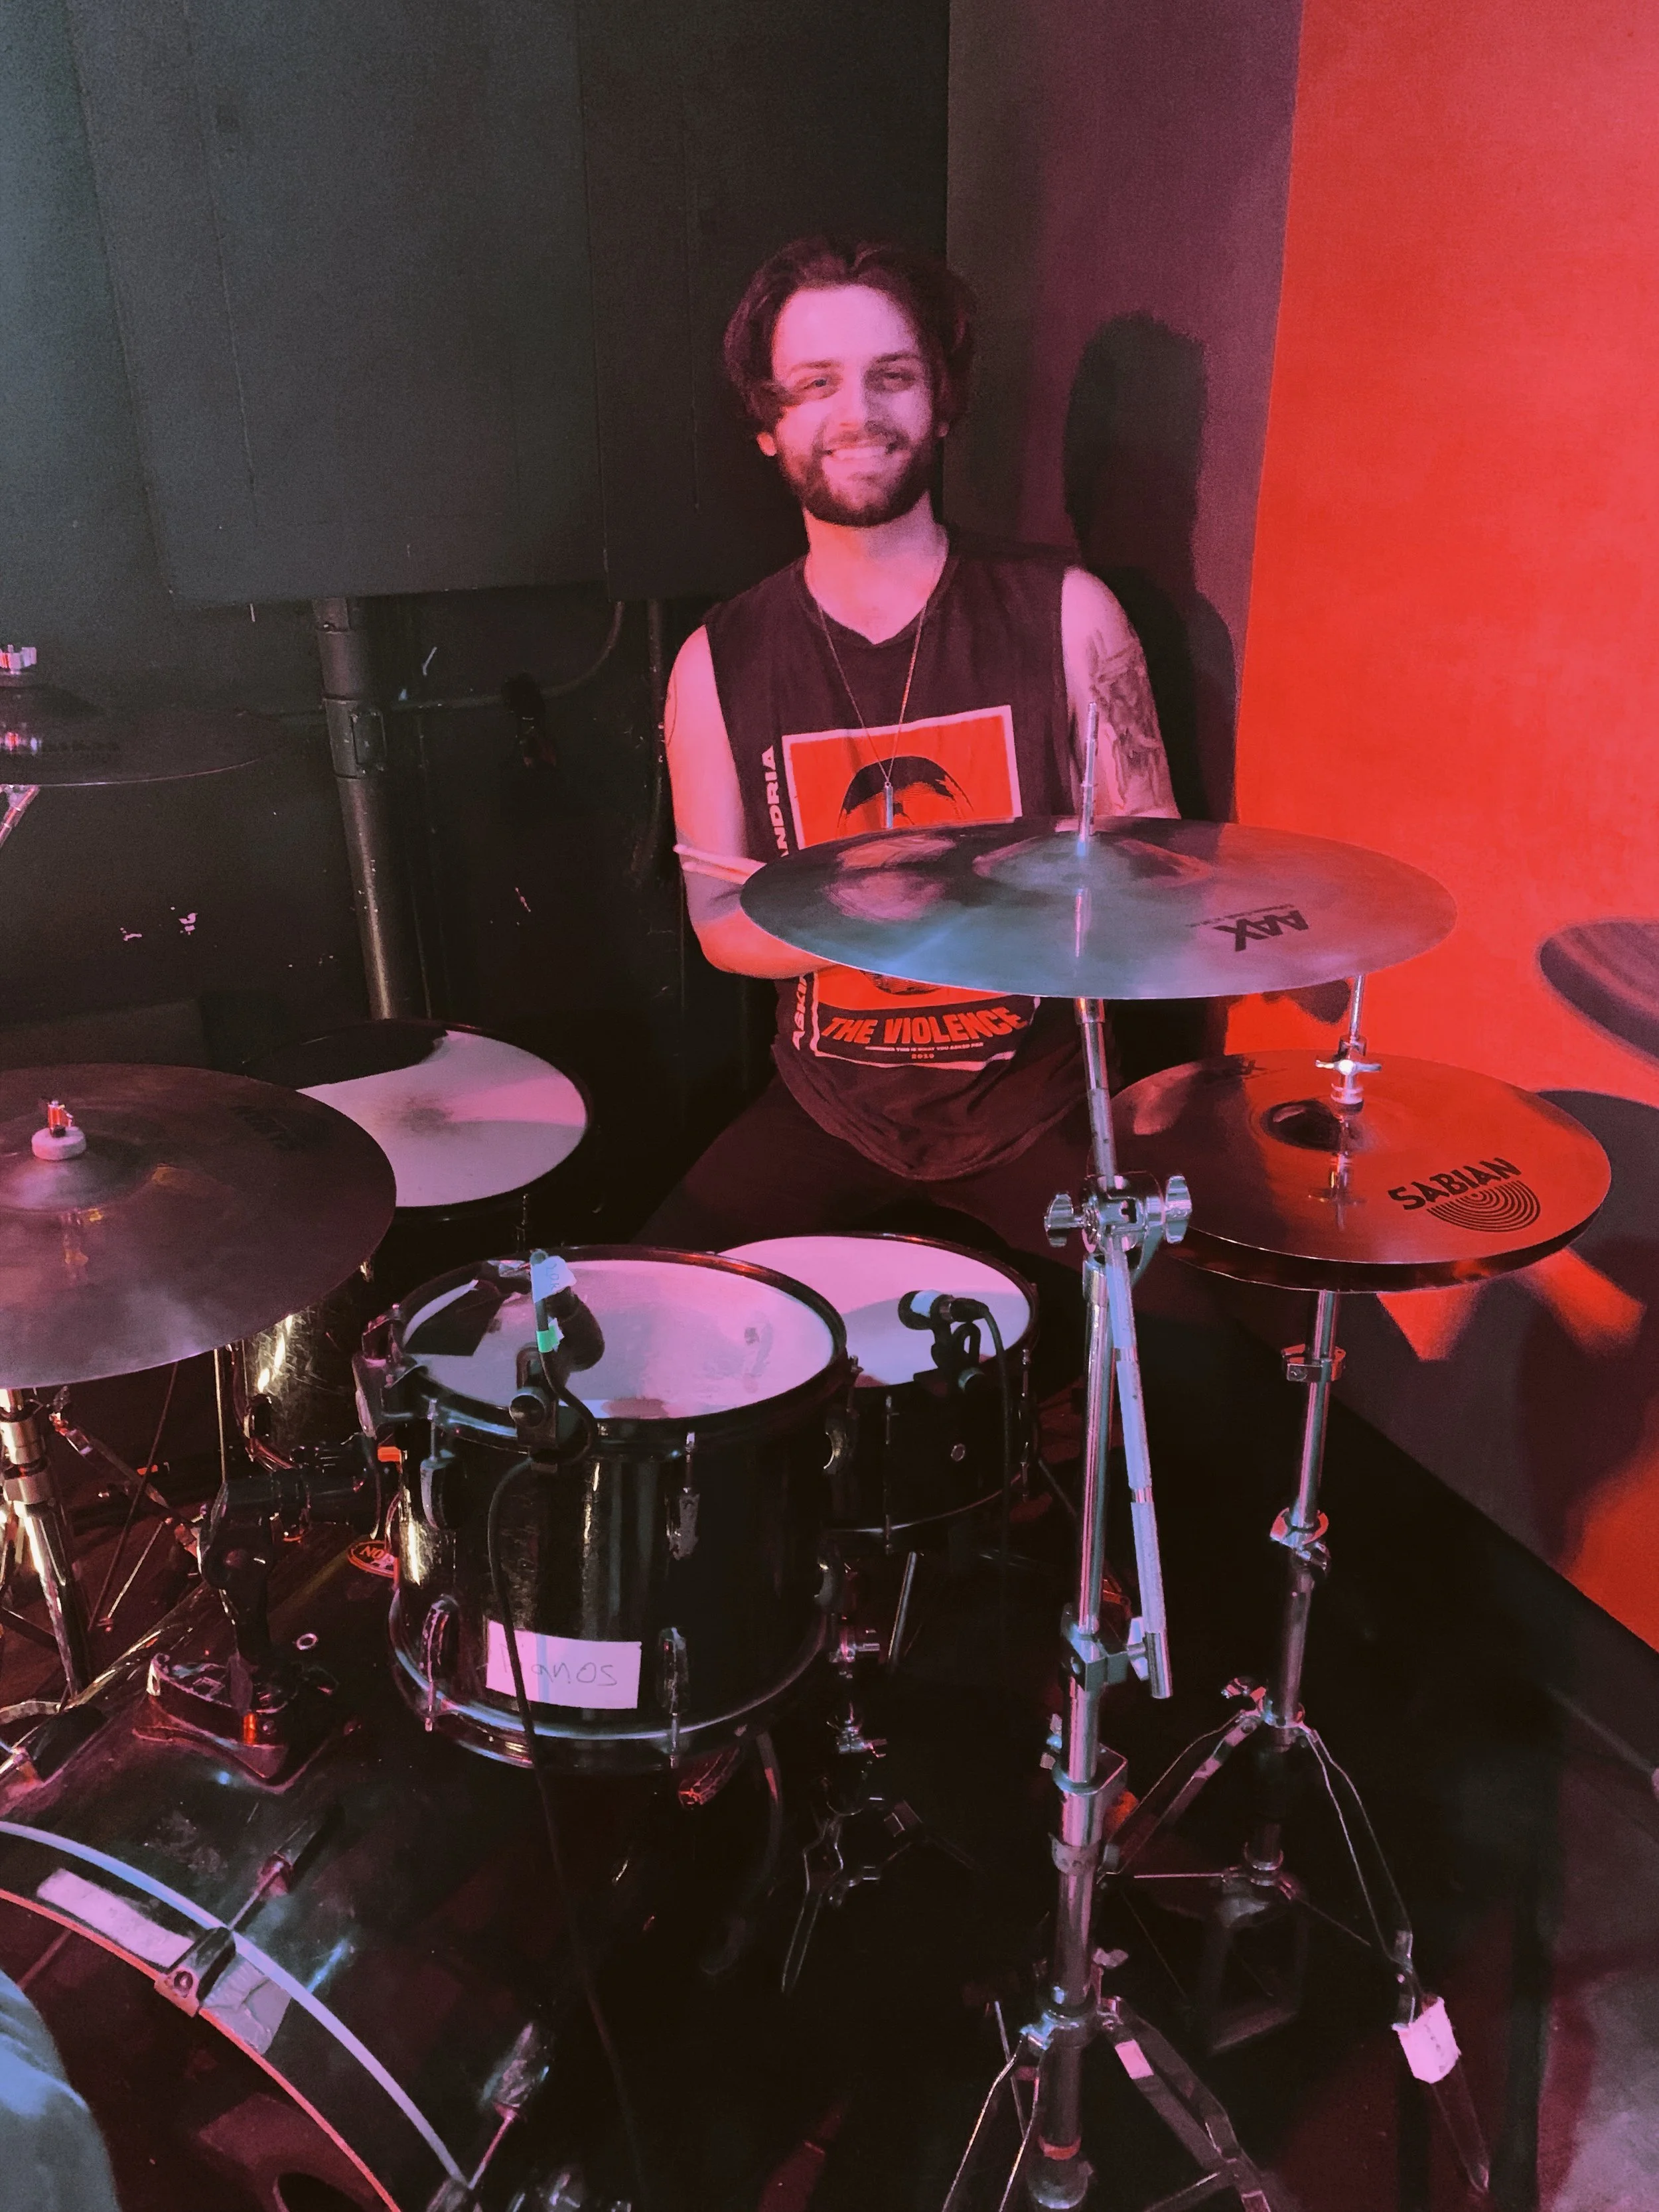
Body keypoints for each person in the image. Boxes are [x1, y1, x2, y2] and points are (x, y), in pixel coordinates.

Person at [638, 236, 1177, 1268]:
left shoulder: (1070, 615)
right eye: (815, 384)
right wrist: (914, 905)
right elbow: (717, 925)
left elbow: (1155, 871)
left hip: (1037, 1106)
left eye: (894, 377)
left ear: (942, 402)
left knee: (1191, 1400)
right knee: (655, 1347)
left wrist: (967, 892)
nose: (859, 414)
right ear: (768, 423)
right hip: (828, 1106)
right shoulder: (717, 661)